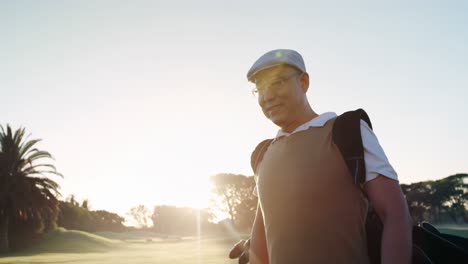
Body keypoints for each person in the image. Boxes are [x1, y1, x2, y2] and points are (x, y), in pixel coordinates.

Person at [231, 49, 413, 264]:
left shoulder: (347, 131)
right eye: (259, 88)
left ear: (303, 82)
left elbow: (394, 213)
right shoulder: (262, 154)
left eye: (278, 82)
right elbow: (262, 234)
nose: (267, 96)